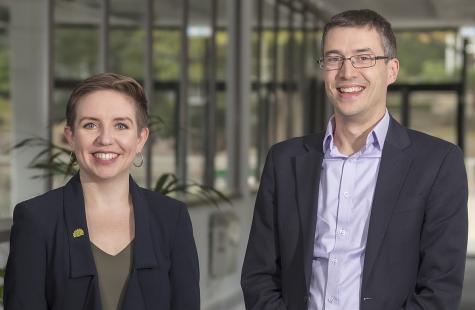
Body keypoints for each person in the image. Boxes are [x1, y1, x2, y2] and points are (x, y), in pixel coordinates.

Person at [241, 9, 468, 310]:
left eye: (364, 58)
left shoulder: (438, 163)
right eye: (334, 58)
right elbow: (259, 275)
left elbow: (440, 289)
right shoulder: (285, 160)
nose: (347, 73)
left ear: (391, 70)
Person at [4, 73, 200, 310]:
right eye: (90, 125)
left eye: (121, 125)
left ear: (141, 138)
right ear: (71, 136)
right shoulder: (36, 219)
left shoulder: (171, 218)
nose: (106, 139)